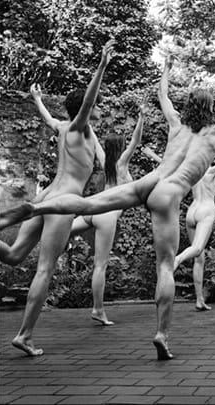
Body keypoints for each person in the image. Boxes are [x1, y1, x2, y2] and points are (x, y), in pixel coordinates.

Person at [0, 53, 215, 360]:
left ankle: (36, 209)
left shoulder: (176, 123)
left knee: (88, 204)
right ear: (211, 108)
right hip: (169, 194)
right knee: (165, 266)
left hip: (148, 181)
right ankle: (162, 335)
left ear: (188, 107)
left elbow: (163, 95)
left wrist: (167, 70)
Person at [0, 40, 116, 356]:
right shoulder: (78, 128)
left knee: (14, 255)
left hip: (47, 194)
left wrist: (37, 99)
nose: (97, 108)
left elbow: (48, 118)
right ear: (86, 108)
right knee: (45, 269)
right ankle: (24, 335)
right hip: (62, 202)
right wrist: (101, 66)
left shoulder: (63, 127)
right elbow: (87, 102)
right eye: (95, 105)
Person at [142, 146, 215, 311]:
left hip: (192, 212)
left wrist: (152, 154)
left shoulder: (191, 171)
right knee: (197, 249)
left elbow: (169, 166)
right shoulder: (211, 171)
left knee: (199, 259)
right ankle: (177, 259)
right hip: (205, 211)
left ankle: (199, 300)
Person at [65, 108, 146, 326]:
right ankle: (98, 310)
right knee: (100, 265)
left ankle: (36, 233)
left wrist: (84, 115)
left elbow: (92, 135)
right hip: (107, 216)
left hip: (93, 209)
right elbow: (136, 141)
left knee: (61, 230)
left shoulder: (105, 160)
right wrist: (140, 118)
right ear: (120, 147)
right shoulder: (122, 164)